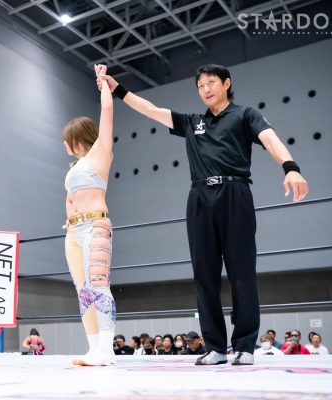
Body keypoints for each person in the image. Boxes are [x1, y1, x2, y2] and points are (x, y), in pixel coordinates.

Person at [95, 64, 309, 366]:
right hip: (199, 197)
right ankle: (216, 347)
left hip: (235, 193)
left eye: (211, 82)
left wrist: (291, 167)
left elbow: (270, 138)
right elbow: (150, 110)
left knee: (242, 273)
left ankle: (244, 346)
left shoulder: (245, 115)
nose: (205, 89)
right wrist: (116, 88)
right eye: (200, 85)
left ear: (226, 83)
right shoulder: (192, 122)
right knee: (204, 275)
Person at [64, 66, 116, 367]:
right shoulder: (74, 167)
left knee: (98, 285)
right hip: (72, 232)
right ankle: (94, 348)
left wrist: (103, 84)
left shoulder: (101, 152)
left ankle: (106, 350)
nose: (64, 144)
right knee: (82, 290)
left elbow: (107, 111)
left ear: (76, 137)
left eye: (66, 139)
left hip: (95, 226)